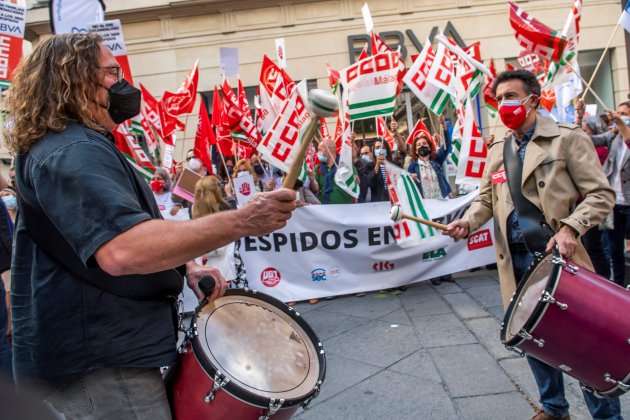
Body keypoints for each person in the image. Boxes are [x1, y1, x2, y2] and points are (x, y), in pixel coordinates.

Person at [4, 33, 297, 418]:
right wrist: (243, 220)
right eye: (112, 72)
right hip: (100, 360)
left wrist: (186, 266)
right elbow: (123, 249)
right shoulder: (72, 151)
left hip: (102, 351)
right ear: (75, 80)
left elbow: (104, 232)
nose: (122, 81)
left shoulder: (70, 146)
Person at [444, 70, 618, 420]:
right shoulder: (498, 147)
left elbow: (601, 195)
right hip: (516, 261)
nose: (504, 104)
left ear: (533, 100)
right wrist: (468, 220)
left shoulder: (567, 139)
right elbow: (486, 201)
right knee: (532, 337)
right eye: (500, 98)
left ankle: (606, 416)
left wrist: (570, 228)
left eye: (511, 96)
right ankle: (554, 409)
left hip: (560, 260)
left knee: (582, 345)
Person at [583, 101, 630, 287]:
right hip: (615, 201)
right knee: (615, 249)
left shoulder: (623, 134)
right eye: (618, 112)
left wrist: (621, 124)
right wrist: (580, 118)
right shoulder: (613, 137)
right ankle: (618, 286)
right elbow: (587, 140)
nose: (619, 115)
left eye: (625, 113)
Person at [314, 139, 358, 204]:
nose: (317, 153)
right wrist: (312, 180)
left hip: (345, 208)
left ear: (327, 150)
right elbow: (315, 189)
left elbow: (357, 181)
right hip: (324, 209)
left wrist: (345, 175)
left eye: (319, 150)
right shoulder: (318, 168)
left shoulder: (345, 164)